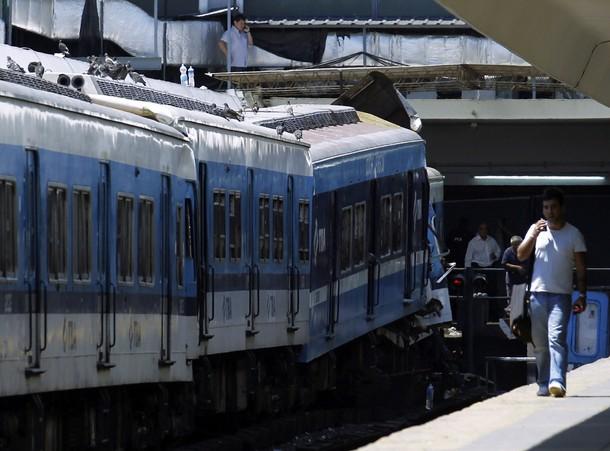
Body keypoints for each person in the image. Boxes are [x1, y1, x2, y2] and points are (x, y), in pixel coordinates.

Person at [517, 188, 587, 398]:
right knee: (540, 343)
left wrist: (582, 294)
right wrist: (533, 234)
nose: (550, 212)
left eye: (554, 207)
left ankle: (558, 381)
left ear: (562, 208)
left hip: (561, 295)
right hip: (537, 294)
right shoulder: (535, 230)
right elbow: (521, 255)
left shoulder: (573, 234)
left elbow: (582, 269)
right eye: (546, 207)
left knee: (556, 337)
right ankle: (543, 382)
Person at [502, 235, 529, 300]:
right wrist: (517, 267)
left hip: (523, 279)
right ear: (512, 244)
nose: (517, 246)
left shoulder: (526, 250)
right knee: (512, 298)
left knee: (523, 299)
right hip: (512, 279)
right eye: (515, 244)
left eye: (519, 244)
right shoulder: (508, 251)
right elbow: (504, 264)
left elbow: (529, 261)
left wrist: (525, 268)